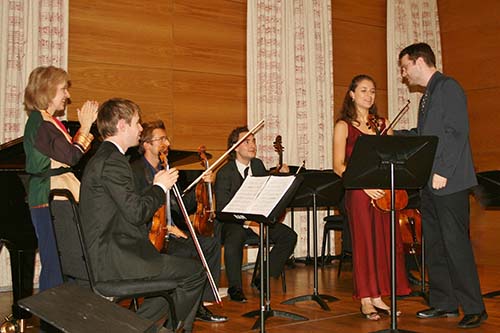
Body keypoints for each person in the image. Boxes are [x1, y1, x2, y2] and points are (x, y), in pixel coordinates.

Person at [79, 98, 206, 332]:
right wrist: (159, 187)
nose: (140, 128)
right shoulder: (113, 162)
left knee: (171, 281)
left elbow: (128, 208)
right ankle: (167, 329)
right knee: (195, 273)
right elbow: (137, 213)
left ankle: (137, 327)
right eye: (137, 123)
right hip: (116, 259)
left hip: (114, 252)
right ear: (122, 125)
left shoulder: (105, 158)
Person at [398, 42, 486, 329]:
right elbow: (426, 137)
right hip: (430, 183)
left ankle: (474, 308)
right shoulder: (427, 96)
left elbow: (456, 132)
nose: (403, 73)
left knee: (455, 244)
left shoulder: (448, 87)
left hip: (448, 182)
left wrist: (444, 172)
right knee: (434, 245)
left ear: (419, 61)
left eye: (404, 66)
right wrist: (395, 134)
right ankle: (444, 302)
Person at [130, 119, 227, 323]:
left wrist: (203, 183)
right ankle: (181, 312)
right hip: (151, 236)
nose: (167, 143)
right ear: (147, 144)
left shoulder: (166, 169)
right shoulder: (136, 171)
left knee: (210, 244)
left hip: (170, 233)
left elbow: (183, 206)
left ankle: (201, 302)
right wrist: (165, 227)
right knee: (191, 257)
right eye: (161, 139)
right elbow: (136, 208)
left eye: (167, 138)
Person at [333, 74, 411, 321]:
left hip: (384, 193)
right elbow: (338, 166)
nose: (369, 95)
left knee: (384, 244)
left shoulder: (382, 124)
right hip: (358, 193)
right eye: (363, 90)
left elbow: (391, 159)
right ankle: (366, 299)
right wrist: (363, 184)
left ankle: (380, 295)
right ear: (352, 95)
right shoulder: (343, 125)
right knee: (365, 245)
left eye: (373, 91)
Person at [23, 65, 97, 294]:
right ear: (47, 90)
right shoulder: (41, 123)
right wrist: (85, 127)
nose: (68, 95)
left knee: (66, 262)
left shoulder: (47, 121)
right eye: (63, 89)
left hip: (56, 197)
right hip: (49, 198)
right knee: (55, 263)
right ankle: (50, 323)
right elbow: (72, 156)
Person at [214, 126, 297, 302]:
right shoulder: (224, 173)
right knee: (234, 237)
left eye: (253, 141)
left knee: (289, 236)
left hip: (257, 221)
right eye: (247, 141)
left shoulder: (258, 165)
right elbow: (223, 210)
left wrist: (282, 176)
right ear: (235, 147)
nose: (253, 145)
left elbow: (266, 194)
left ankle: (263, 277)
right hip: (232, 223)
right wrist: (249, 224)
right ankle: (235, 288)